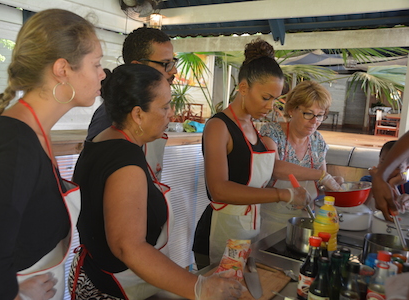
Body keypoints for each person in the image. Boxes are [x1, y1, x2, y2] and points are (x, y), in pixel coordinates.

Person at [0, 9, 106, 300]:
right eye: (97, 64)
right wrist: (17, 295)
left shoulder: (33, 133)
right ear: (63, 69)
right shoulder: (17, 146)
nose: (102, 74)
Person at [69, 64, 243, 300]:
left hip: (97, 274)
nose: (171, 113)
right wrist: (200, 287)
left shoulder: (102, 140)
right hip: (115, 289)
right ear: (138, 114)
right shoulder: (125, 162)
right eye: (164, 107)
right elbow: (128, 247)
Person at [192, 38, 315, 269]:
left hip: (248, 231)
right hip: (218, 232)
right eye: (266, 98)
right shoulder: (219, 126)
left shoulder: (255, 131)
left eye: (275, 100)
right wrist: (282, 195)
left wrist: (297, 191)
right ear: (244, 87)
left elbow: (255, 182)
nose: (270, 107)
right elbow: (219, 189)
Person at [86, 26, 177, 180]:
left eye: (174, 62)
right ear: (137, 66)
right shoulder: (110, 116)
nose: (173, 71)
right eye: (165, 63)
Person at [258, 80, 344, 238]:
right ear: (291, 110)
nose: (314, 121)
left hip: (303, 222)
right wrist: (322, 176)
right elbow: (275, 168)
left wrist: (332, 182)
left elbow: (320, 182)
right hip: (270, 221)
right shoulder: (272, 132)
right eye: (308, 113)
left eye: (320, 115)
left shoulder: (318, 141)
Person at [372, 130, 409, 221]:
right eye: (383, 163)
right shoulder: (368, 181)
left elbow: (398, 210)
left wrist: (393, 185)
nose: (389, 170)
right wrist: (375, 180)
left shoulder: (407, 187)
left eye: (397, 167)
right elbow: (364, 206)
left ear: (406, 168)